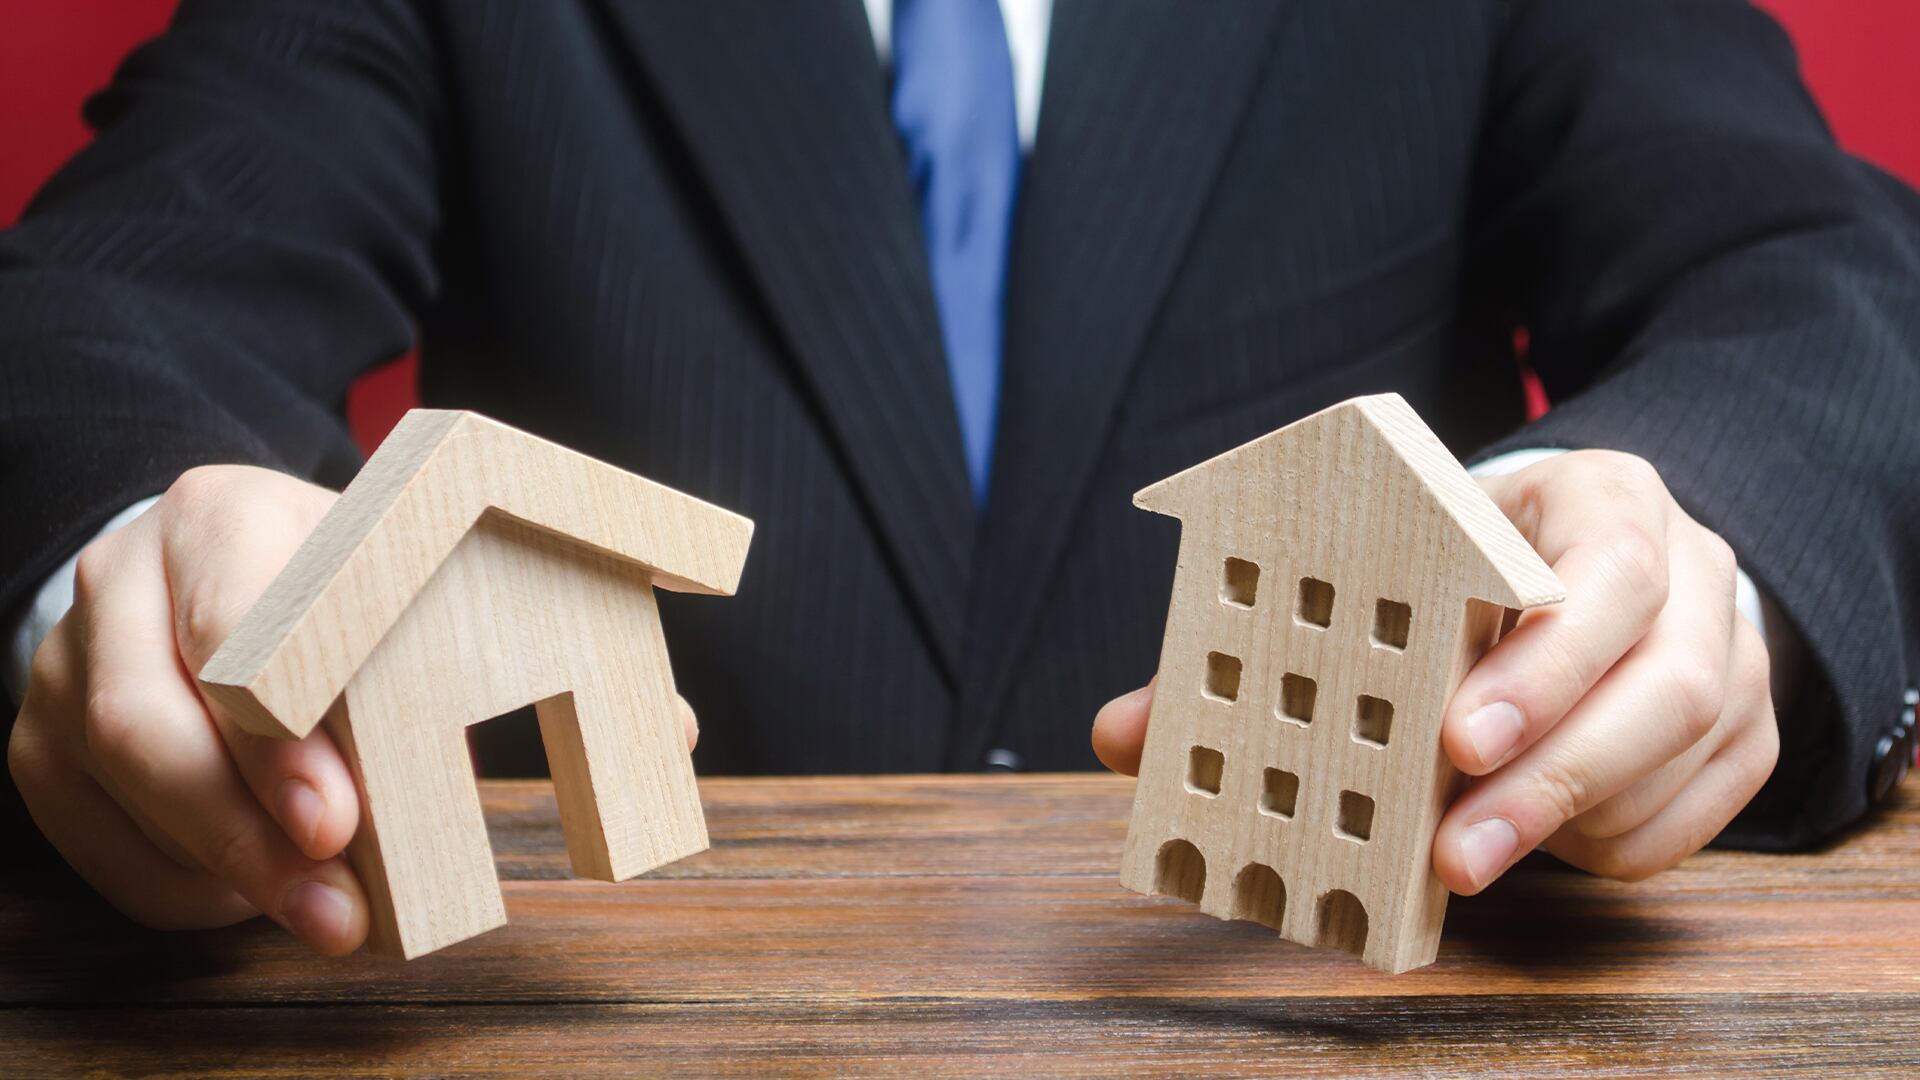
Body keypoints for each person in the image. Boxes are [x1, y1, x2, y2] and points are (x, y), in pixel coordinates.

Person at [3, 0, 1917, 958]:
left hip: (1323, 1002)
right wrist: (129, 552)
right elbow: (106, 298)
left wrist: (1706, 547)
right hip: (615, 1016)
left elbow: (1819, 278)